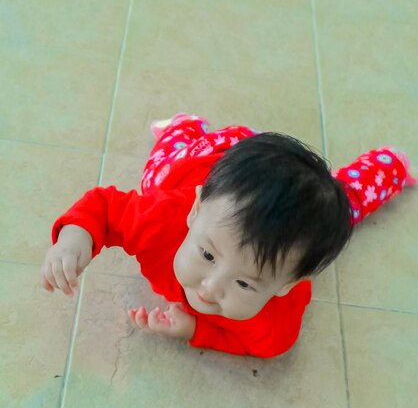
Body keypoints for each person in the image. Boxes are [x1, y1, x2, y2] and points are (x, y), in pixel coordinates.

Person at [40, 114, 417, 357]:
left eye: (244, 283)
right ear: (195, 212)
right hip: (208, 158)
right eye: (207, 256)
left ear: (290, 284)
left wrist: (195, 329)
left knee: (343, 208)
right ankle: (184, 125)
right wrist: (75, 238)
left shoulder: (273, 329)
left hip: (274, 192)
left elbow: (241, 341)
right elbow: (104, 208)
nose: (210, 288)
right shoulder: (164, 217)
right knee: (156, 175)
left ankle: (392, 166)